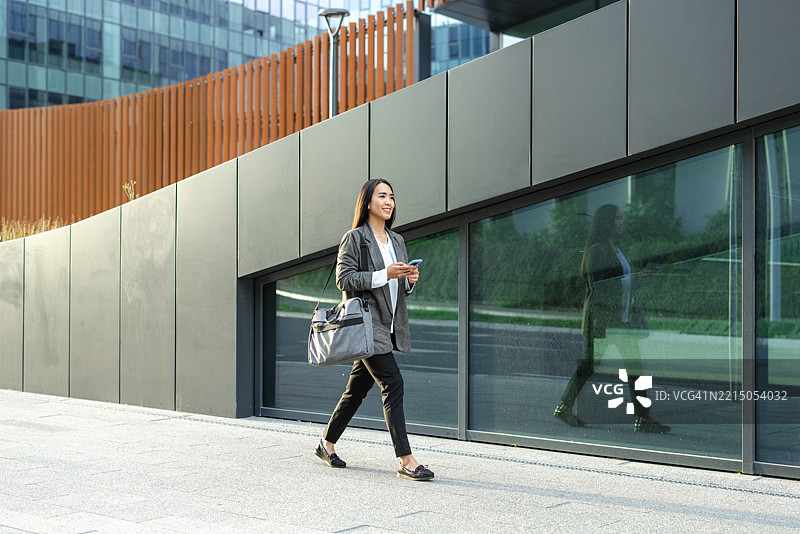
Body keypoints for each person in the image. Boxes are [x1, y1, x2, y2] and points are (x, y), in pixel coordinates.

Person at [314, 178, 434, 481]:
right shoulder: (355, 238)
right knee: (393, 383)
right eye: (382, 196)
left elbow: (396, 286)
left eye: (392, 196)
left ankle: (325, 443)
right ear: (368, 202)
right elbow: (345, 279)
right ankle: (406, 459)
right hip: (367, 324)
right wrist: (384, 274)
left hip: (388, 324)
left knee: (356, 390)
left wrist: (407, 280)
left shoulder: (397, 241)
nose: (389, 201)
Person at [554, 204, 669, 433]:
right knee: (590, 365)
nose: (621, 222)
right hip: (602, 320)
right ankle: (565, 406)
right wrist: (632, 280)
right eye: (616, 219)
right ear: (606, 222)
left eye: (621, 218)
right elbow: (601, 286)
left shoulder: (617, 249)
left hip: (622, 320)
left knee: (635, 367)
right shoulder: (597, 251)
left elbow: (623, 283)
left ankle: (643, 417)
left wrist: (640, 278)